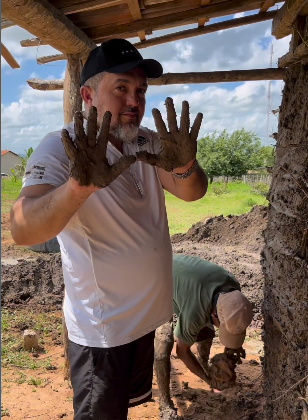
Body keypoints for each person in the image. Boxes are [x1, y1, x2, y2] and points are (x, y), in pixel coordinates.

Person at [10, 38, 208, 420]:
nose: (134, 100)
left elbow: (193, 192)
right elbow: (22, 230)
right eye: (121, 89)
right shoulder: (61, 146)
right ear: (87, 94)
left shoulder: (148, 141)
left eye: (140, 91)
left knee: (126, 409)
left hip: (146, 321)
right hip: (103, 334)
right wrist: (77, 187)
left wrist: (184, 164)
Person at [154, 254, 254, 419]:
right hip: (156, 280)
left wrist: (232, 351)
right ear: (214, 313)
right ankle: (165, 403)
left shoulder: (234, 294)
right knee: (163, 342)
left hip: (185, 278)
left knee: (207, 330)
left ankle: (203, 363)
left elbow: (233, 320)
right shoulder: (195, 312)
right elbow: (182, 352)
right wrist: (209, 380)